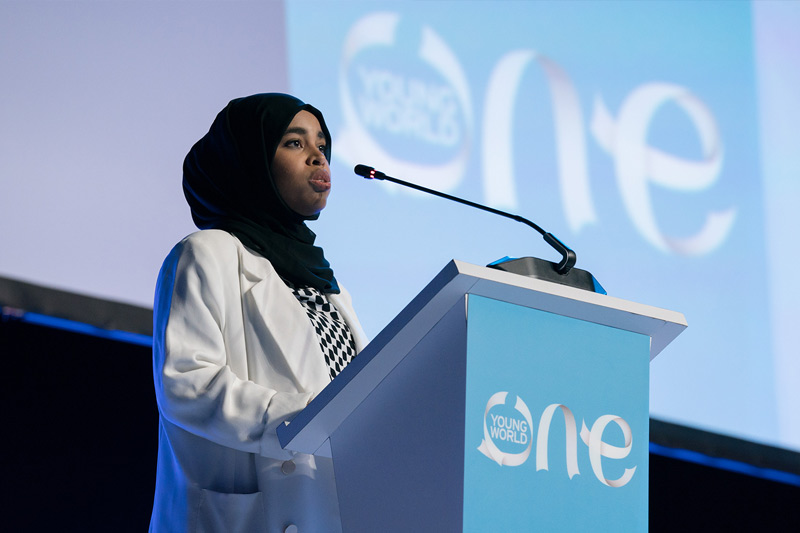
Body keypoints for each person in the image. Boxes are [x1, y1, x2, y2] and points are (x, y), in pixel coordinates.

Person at [149, 93, 367, 533]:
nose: (316, 157)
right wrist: (301, 416)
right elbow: (187, 383)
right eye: (294, 143)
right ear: (249, 162)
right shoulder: (206, 253)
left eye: (322, 145)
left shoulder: (328, 282)